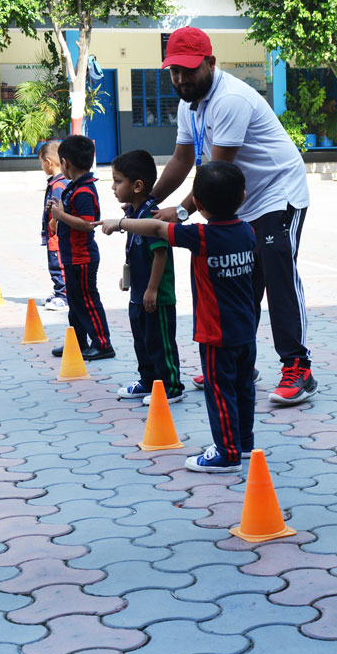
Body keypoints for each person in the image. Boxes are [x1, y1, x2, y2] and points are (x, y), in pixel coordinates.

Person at [150, 26, 316, 407]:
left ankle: (298, 368)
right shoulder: (189, 105)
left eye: (189, 70)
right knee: (239, 280)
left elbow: (217, 171)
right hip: (239, 198)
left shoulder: (230, 100)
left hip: (277, 193)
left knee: (277, 274)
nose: (181, 79)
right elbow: (181, 160)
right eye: (174, 71)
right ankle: (240, 361)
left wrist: (180, 211)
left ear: (210, 63)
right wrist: (148, 202)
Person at [102, 161, 256, 473]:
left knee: (220, 391)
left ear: (197, 203)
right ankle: (242, 442)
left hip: (215, 334)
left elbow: (158, 229)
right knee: (243, 388)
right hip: (246, 330)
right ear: (242, 196)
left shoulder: (202, 236)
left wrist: (120, 223)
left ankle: (226, 454)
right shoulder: (248, 231)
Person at [109, 149, 184, 405]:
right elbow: (136, 250)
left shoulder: (151, 216)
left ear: (138, 186)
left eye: (118, 181)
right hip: (138, 294)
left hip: (156, 296)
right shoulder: (134, 214)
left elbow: (160, 254)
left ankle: (171, 386)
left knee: (160, 342)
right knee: (142, 341)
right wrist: (128, 276)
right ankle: (149, 381)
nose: (113, 187)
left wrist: (152, 289)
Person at [47, 135, 113, 361]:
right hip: (72, 256)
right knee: (75, 304)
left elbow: (87, 224)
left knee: (87, 301)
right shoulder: (75, 188)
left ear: (65, 162)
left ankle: (102, 343)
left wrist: (61, 215)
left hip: (82, 257)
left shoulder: (84, 190)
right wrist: (59, 210)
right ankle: (77, 342)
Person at [38, 141, 69, 312]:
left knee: (58, 265)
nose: (42, 166)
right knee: (56, 264)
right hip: (53, 235)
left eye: (41, 163)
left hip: (56, 236)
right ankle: (59, 292)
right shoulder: (58, 182)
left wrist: (53, 222)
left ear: (48, 162)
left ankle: (63, 295)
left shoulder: (58, 185)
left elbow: (59, 208)